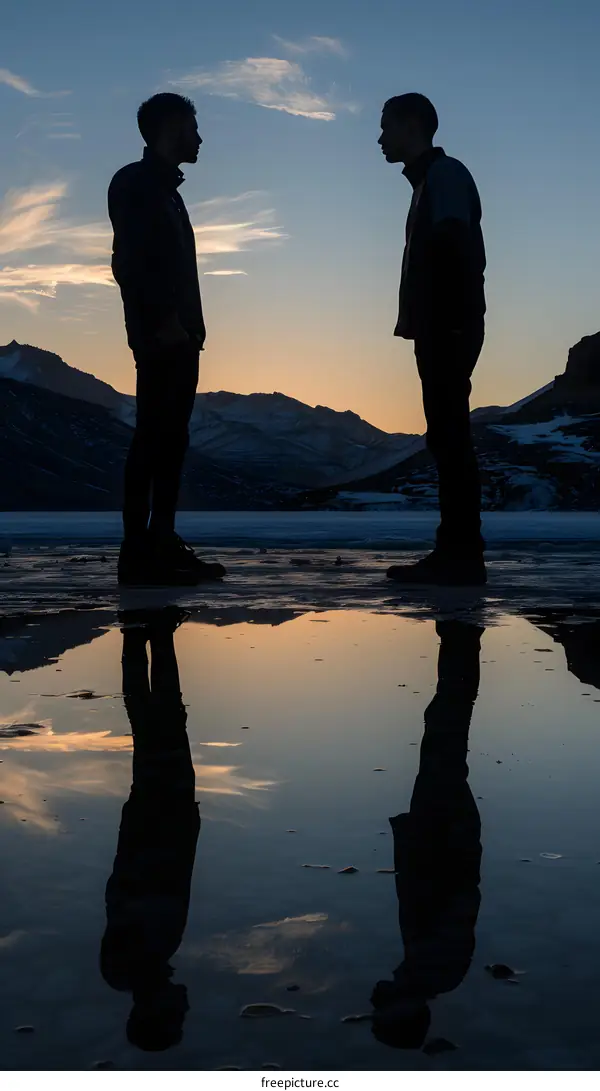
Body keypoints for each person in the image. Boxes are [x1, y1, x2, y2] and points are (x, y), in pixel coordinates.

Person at [108, 92, 226, 586]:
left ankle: (160, 542)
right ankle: (140, 551)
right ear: (173, 127)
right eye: (193, 128)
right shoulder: (137, 184)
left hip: (178, 335)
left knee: (168, 440)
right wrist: (163, 322)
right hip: (163, 336)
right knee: (154, 438)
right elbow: (130, 262)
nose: (199, 138)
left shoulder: (165, 190)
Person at [378, 94, 487, 586]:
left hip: (449, 325)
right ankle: (458, 551)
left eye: (386, 128)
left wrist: (451, 319)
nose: (380, 138)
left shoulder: (443, 178)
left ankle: (460, 556)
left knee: (450, 437)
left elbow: (455, 247)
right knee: (447, 436)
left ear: (412, 125)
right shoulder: (428, 182)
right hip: (444, 323)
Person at [371, 620, 483, 1050]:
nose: (373, 997)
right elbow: (458, 894)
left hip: (439, 829)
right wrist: (442, 831)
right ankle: (461, 635)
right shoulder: (436, 968)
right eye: (381, 1011)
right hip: (444, 829)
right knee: (447, 723)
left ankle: (459, 636)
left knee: (444, 723)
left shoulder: (428, 969)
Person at [101, 606, 200, 1051]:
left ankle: (149, 635)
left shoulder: (141, 956)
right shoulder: (148, 957)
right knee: (155, 719)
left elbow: (146, 882)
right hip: (160, 820)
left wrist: (173, 824)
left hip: (159, 819)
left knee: (158, 719)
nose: (186, 1006)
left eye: (177, 1014)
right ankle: (146, 636)